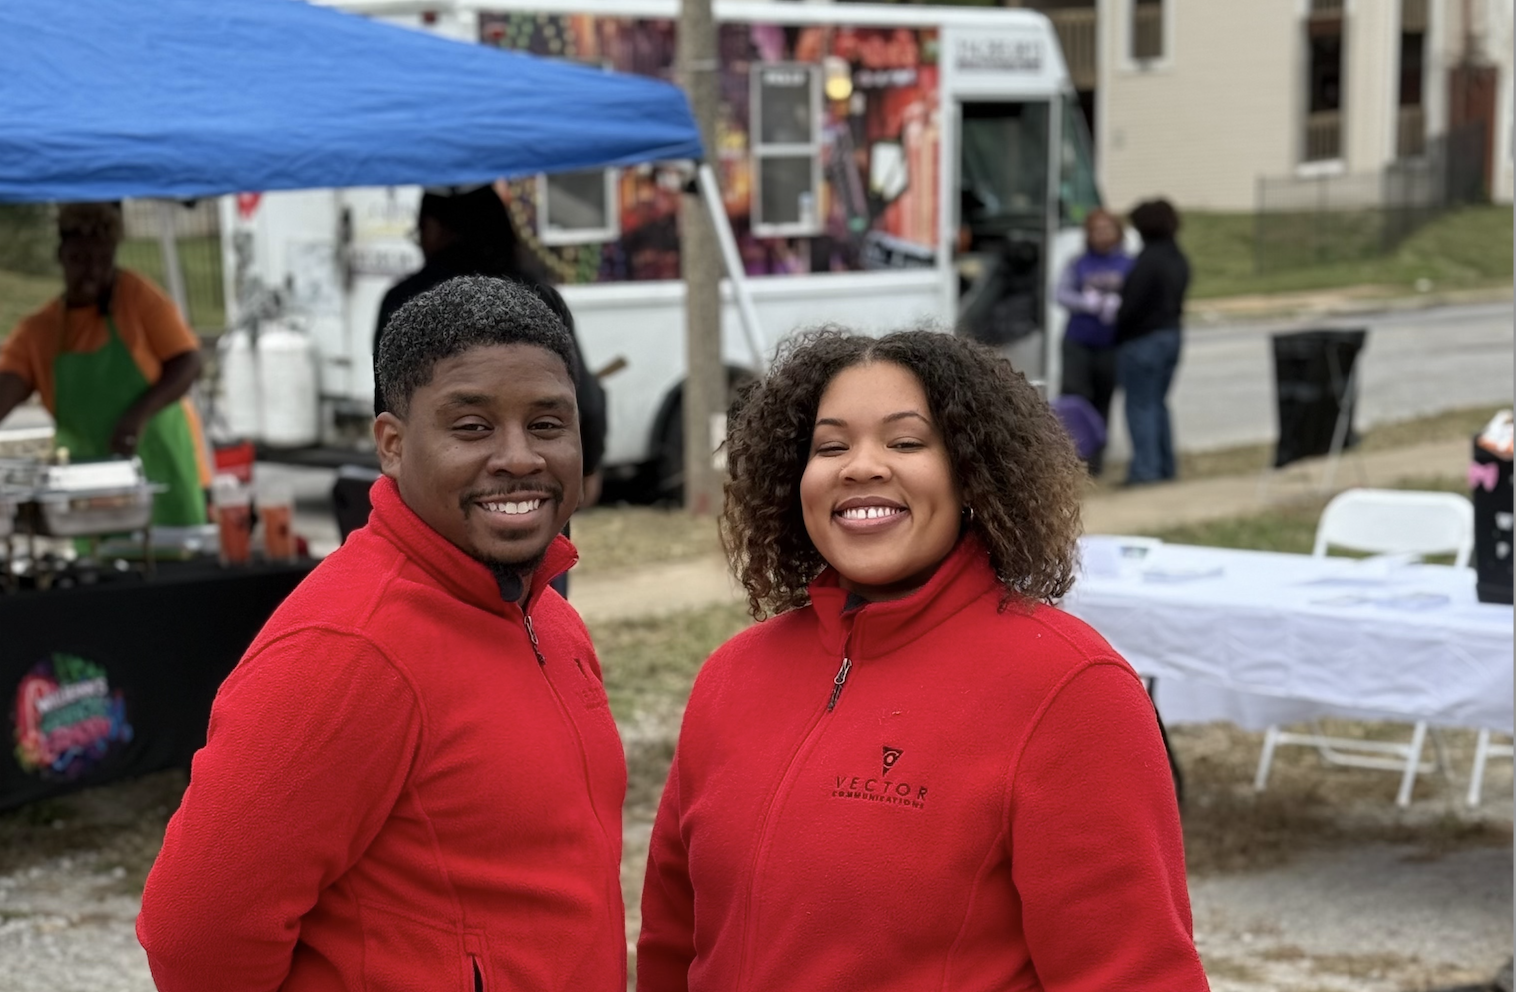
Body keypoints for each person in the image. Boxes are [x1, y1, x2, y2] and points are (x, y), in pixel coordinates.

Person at [637, 328, 1208, 992]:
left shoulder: (1071, 689)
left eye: (906, 442)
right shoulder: (732, 675)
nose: (861, 466)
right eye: (831, 446)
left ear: (972, 472)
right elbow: (671, 941)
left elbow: (1135, 974)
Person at [138, 276, 627, 992]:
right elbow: (195, 938)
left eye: (548, 425)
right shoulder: (346, 651)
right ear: (393, 445)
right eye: (473, 427)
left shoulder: (546, 612)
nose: (520, 456)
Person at [0, 202, 209, 525]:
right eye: (80, 259)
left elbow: (189, 362)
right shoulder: (39, 332)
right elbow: (7, 389)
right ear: (61, 257)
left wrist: (137, 416)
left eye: (102, 260)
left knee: (172, 548)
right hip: (86, 482)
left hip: (157, 461)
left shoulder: (138, 298)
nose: (92, 272)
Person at [1115, 198, 1190, 486]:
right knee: (1158, 402)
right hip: (1172, 333)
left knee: (1140, 405)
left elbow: (1132, 305)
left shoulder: (1147, 262)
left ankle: (1145, 470)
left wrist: (1118, 330)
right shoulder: (1177, 257)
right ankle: (1165, 465)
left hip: (1143, 338)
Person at [1056, 208, 1132, 476]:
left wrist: (1119, 305)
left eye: (1107, 229)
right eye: (1096, 230)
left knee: (1103, 400)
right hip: (1078, 341)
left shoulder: (1128, 264)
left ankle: (1096, 463)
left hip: (1110, 344)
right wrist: (1085, 303)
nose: (1102, 235)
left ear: (1118, 233)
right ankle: (1068, 459)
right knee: (1075, 398)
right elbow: (1060, 293)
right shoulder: (1077, 263)